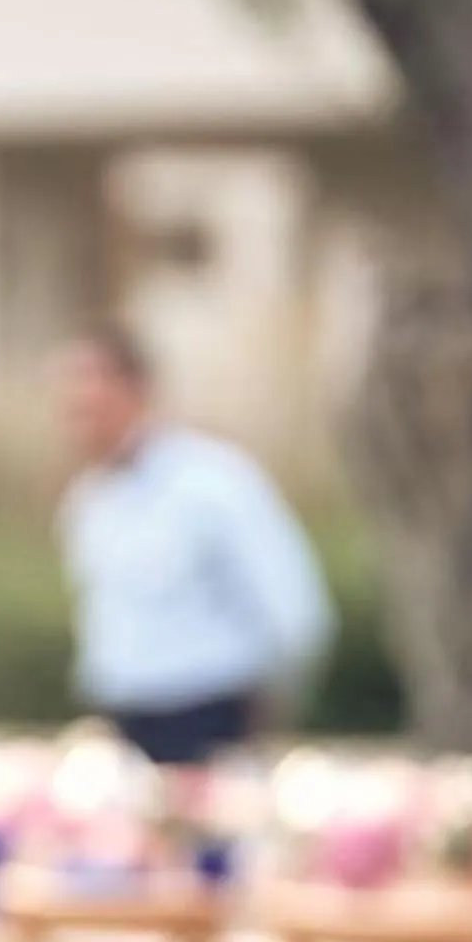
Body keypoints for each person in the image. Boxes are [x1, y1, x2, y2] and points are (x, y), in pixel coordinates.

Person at [53, 322, 334, 766]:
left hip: (209, 717)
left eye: (94, 406)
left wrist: (275, 707)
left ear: (136, 392)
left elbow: (292, 606)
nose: (82, 423)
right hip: (122, 721)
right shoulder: (86, 501)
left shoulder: (213, 482)